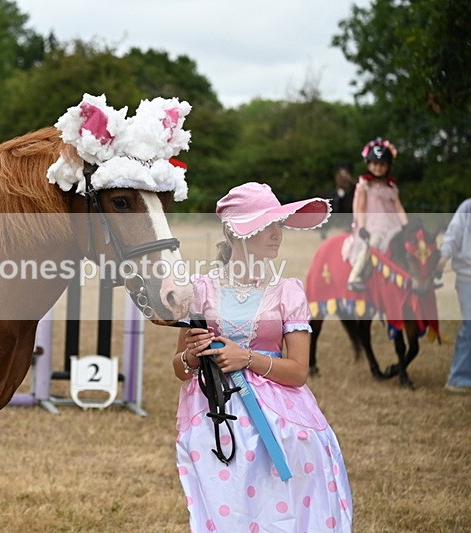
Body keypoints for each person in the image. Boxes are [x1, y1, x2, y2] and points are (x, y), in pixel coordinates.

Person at [173, 182, 352, 532]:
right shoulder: (200, 290)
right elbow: (178, 368)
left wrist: (247, 358)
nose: (276, 234)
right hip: (215, 413)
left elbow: (299, 372)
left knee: (279, 505)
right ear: (236, 232)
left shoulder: (288, 292)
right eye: (266, 225)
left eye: (278, 224)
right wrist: (192, 357)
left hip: (282, 416)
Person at [345, 138, 408, 291]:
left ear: (388, 166)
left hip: (392, 225)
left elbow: (398, 207)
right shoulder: (364, 185)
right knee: (372, 245)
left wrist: (406, 225)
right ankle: (354, 277)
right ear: (368, 164)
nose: (378, 168)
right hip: (373, 225)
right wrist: (362, 227)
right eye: (374, 164)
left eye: (382, 164)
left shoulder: (391, 187)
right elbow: (360, 208)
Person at [437, 198, 471, 393]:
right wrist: (443, 259)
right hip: (468, 277)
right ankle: (458, 378)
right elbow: (452, 236)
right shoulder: (467, 207)